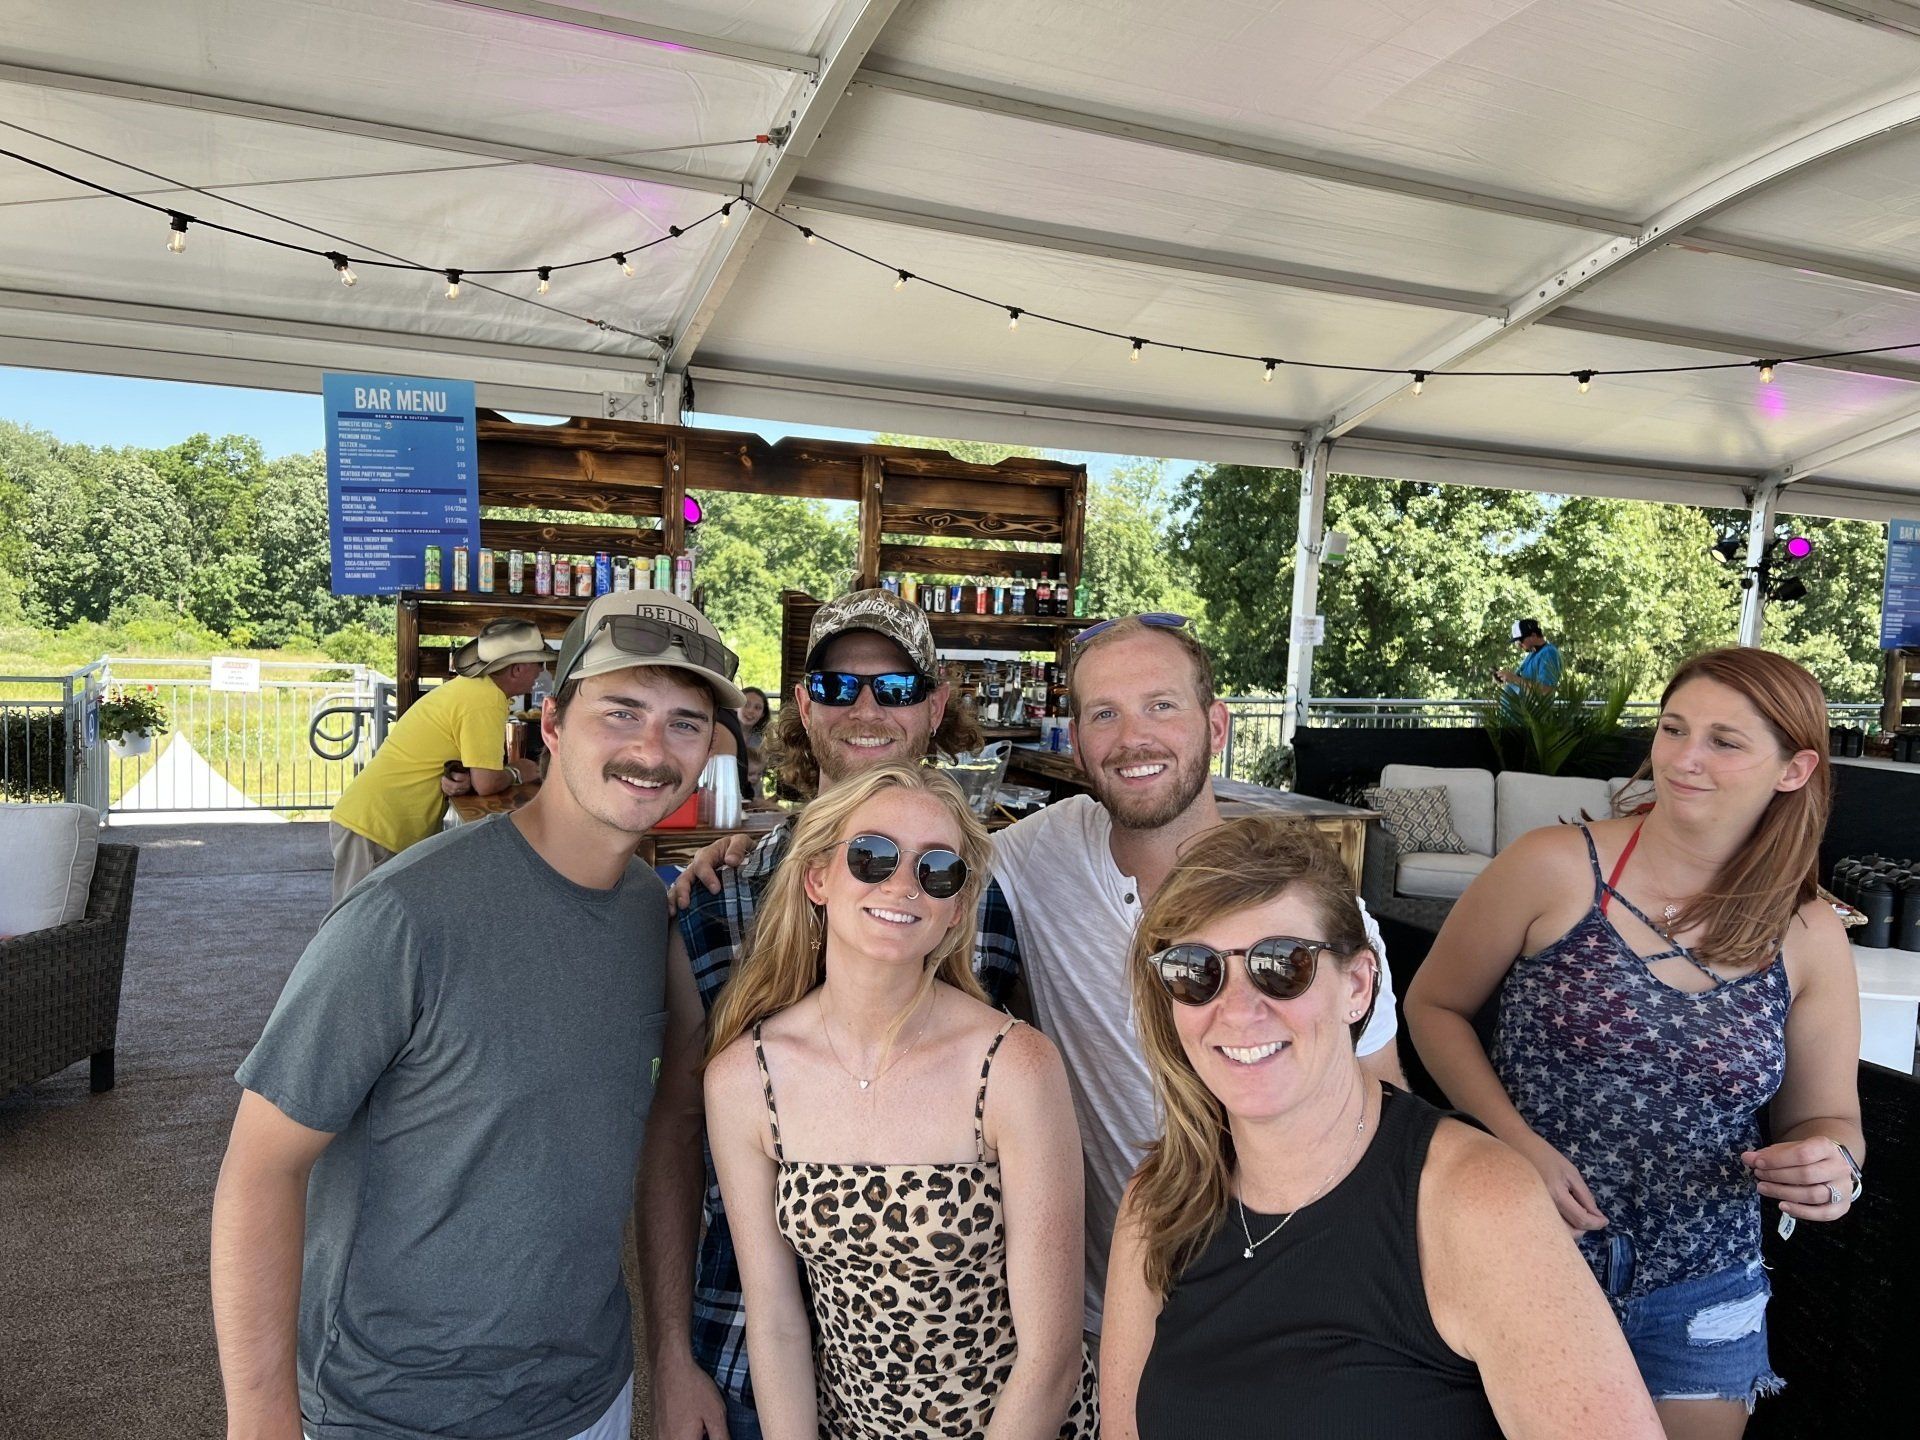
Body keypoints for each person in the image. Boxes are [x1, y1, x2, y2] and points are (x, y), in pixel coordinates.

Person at [210, 590, 744, 1440]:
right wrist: (261, 1419)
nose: (652, 749)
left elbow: (662, 1139)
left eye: (685, 723)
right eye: (623, 710)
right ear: (553, 725)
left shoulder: (654, 913)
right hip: (388, 1412)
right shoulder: (406, 913)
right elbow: (260, 1167)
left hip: (588, 1396)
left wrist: (669, 1358)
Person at [1405, 646, 1864, 1438]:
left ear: (1793, 769)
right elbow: (1434, 1006)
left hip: (1704, 1285)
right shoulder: (1553, 867)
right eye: (1673, 728)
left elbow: (1828, 1119)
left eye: (1725, 741)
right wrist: (1513, 1142)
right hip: (1521, 1251)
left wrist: (1833, 1168)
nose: (1685, 758)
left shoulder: (1809, 931)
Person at [1100, 816, 1663, 1440]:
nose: (1237, 1010)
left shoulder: (1477, 1202)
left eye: (1281, 966)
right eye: (1196, 971)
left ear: (1358, 986)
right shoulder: (1160, 1199)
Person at [641, 587, 1019, 1440]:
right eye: (840, 687)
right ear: (805, 706)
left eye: (894, 686)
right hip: (744, 1332)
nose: (867, 709)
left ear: (935, 705)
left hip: (940, 1361)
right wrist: (669, 1351)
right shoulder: (718, 897)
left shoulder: (986, 895)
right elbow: (675, 1130)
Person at [988, 613, 1407, 1336]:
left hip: (1292, 1298)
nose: (1132, 739)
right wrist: (733, 848)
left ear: (1216, 726)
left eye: (1161, 705)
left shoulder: (1314, 918)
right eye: (1104, 714)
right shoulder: (1035, 856)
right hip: (1107, 1308)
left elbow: (1385, 1103)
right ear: (1079, 741)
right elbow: (905, 863)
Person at [705, 763, 1096, 1440]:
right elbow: (773, 1321)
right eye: (873, 855)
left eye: (936, 870)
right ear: (818, 877)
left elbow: (1051, 1357)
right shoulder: (747, 1078)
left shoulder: (1014, 1068)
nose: (901, 884)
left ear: (955, 905)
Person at [327, 617, 548, 904]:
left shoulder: (473, 690)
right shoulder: (485, 700)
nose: (542, 670)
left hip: (377, 824)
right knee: (354, 933)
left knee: (373, 930)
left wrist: (466, 778)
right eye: (538, 662)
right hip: (376, 828)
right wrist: (519, 772)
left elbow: (467, 771)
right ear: (517, 668)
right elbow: (487, 783)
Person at [1495, 617, 1561, 693]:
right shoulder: (1532, 654)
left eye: (1520, 640)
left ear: (1533, 635)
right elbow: (1523, 681)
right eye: (1516, 642)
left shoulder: (1549, 653)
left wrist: (1514, 678)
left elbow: (1546, 689)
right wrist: (1505, 677)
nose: (1519, 645)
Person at [739, 685, 771, 797]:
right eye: (746, 704)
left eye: (757, 708)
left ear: (762, 714)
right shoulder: (721, 735)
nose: (751, 711)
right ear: (735, 705)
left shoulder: (763, 742)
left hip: (754, 801)